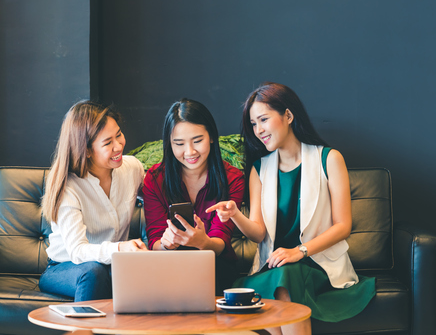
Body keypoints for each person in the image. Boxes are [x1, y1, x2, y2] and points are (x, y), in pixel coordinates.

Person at [206, 83, 375, 335]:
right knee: (282, 277)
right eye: (253, 124)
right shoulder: (258, 169)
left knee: (286, 278)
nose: (258, 130)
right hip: (274, 267)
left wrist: (300, 251)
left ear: (288, 115)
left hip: (317, 265)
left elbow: (343, 226)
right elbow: (258, 234)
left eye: (263, 119)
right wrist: (235, 215)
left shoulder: (329, 159)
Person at [39, 101, 148, 302]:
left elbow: (158, 198)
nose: (119, 146)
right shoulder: (69, 187)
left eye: (119, 134)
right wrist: (120, 248)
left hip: (111, 266)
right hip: (66, 267)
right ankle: (82, 332)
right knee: (94, 272)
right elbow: (78, 251)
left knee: (126, 272)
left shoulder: (132, 168)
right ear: (86, 150)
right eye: (108, 143)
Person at [143, 99, 244, 293]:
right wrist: (166, 245)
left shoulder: (232, 178)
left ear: (212, 137)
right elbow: (154, 239)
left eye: (197, 141)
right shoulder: (155, 179)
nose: (189, 152)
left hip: (215, 264)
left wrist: (202, 242)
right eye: (179, 144)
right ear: (169, 144)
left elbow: (220, 241)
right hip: (168, 266)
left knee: (207, 270)